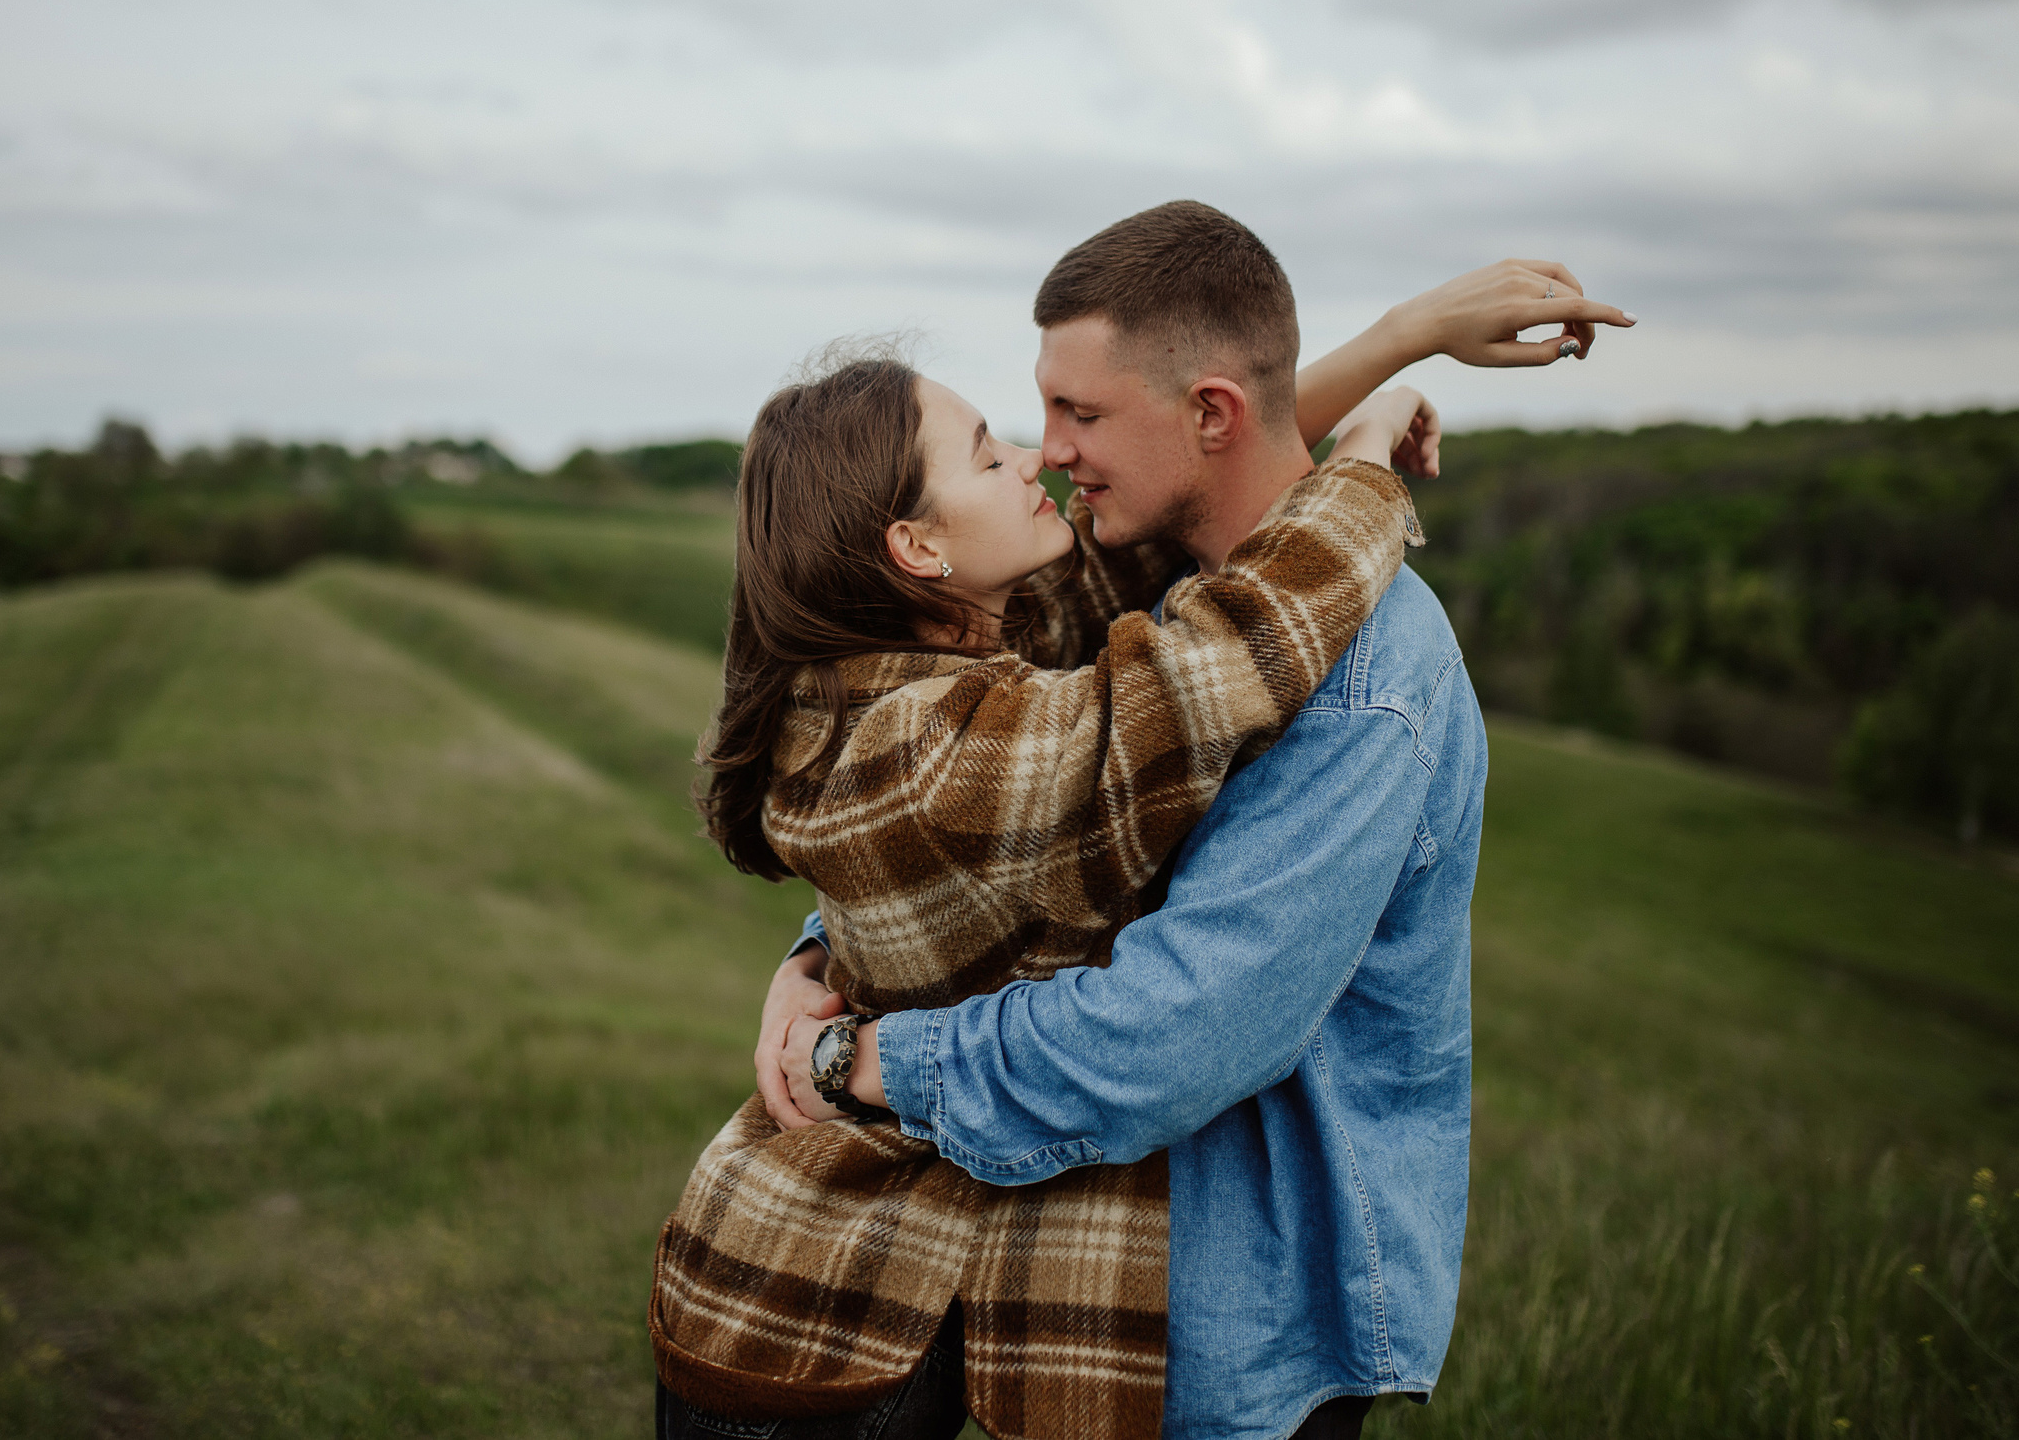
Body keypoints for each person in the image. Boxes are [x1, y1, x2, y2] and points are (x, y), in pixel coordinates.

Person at [661, 202, 1629, 1440]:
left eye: (1077, 416)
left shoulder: (1342, 663)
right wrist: (1365, 457)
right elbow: (1197, 622)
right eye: (1011, 432)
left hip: (1234, 1327)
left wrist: (860, 1049)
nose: (1047, 456)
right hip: (1014, 1305)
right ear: (913, 548)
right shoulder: (1049, 670)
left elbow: (1162, 1032)